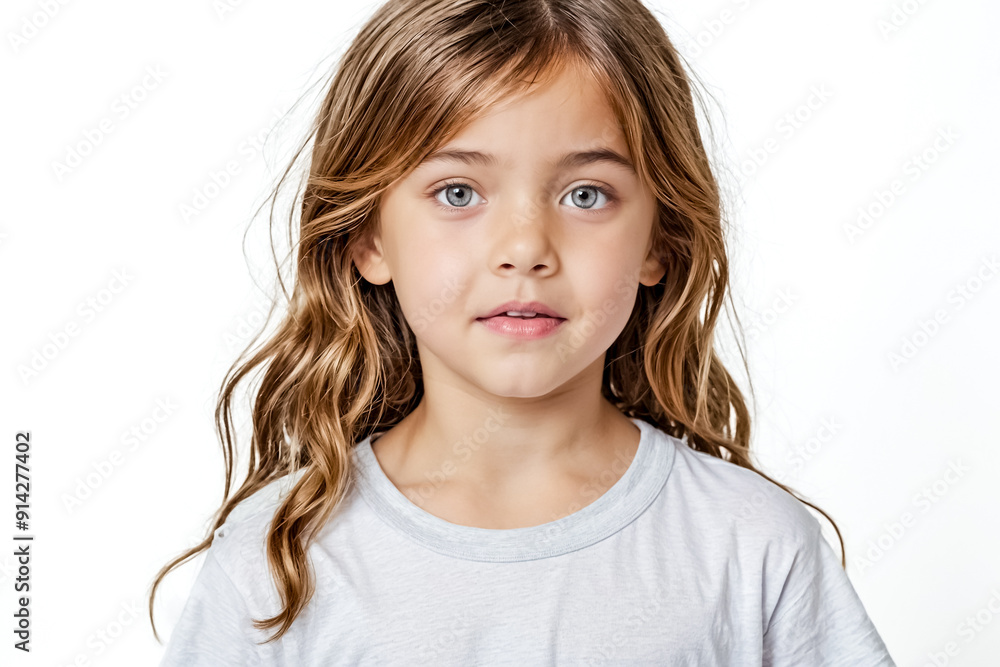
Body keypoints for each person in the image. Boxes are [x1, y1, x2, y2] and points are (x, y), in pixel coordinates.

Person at [149, 0, 896, 664]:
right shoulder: (281, 556)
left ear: (659, 239)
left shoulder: (750, 544)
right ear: (368, 238)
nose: (526, 247)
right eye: (458, 191)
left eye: (585, 193)